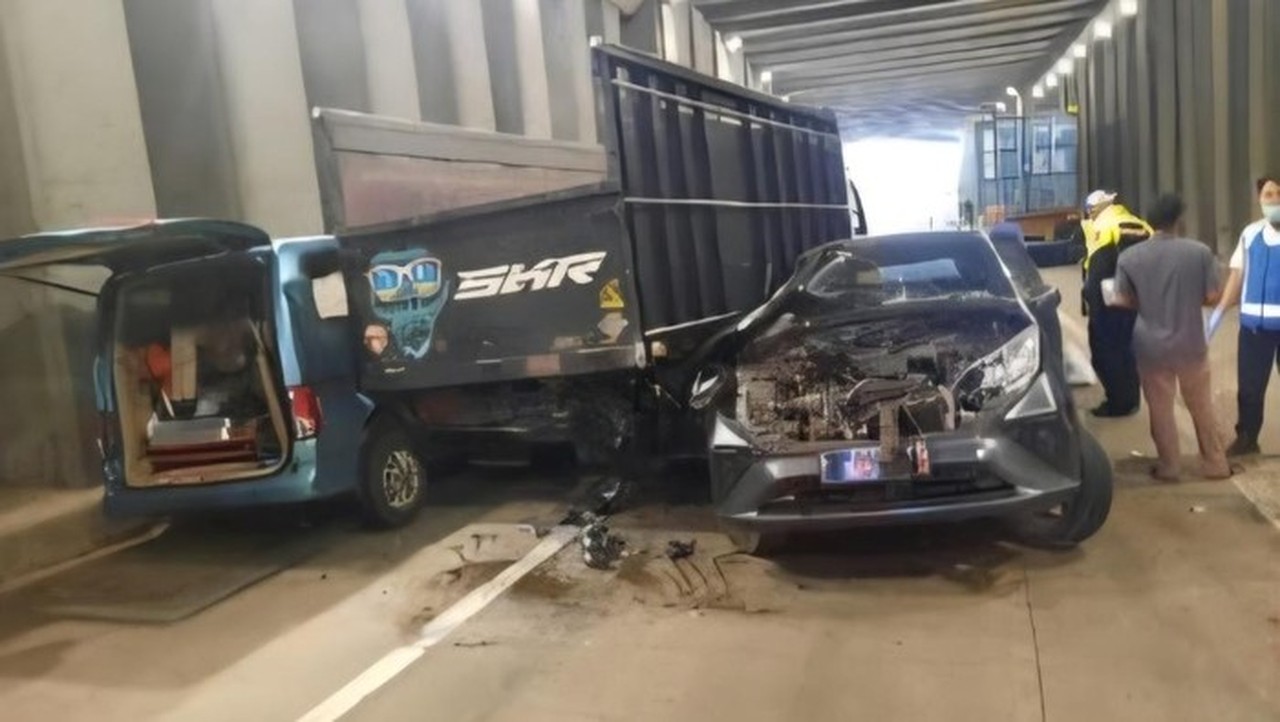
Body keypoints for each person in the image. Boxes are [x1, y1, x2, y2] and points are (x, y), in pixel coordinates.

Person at [1111, 194, 1230, 481]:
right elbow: (1213, 296)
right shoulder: (1199, 252)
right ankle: (1215, 464)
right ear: (1179, 221)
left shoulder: (1129, 257)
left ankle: (1169, 467)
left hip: (1150, 347)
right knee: (1201, 406)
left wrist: (1146, 301)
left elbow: (1121, 299)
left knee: (1160, 408)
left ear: (1149, 223)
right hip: (1191, 343)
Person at [1213, 174, 1280, 456]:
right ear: (1259, 199)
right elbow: (1237, 276)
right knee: (1250, 387)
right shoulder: (1250, 234)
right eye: (1269, 195)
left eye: (1279, 194)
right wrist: (1220, 310)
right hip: (1254, 328)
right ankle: (1247, 438)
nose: (1275, 200)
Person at [1082, 189, 1153, 417]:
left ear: (1095, 208)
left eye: (1089, 210)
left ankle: (1120, 403)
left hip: (1110, 302)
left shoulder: (1110, 224)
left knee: (1108, 351)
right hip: (1129, 300)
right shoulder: (1135, 222)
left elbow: (1109, 267)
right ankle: (1128, 399)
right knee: (1125, 349)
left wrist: (1096, 296)